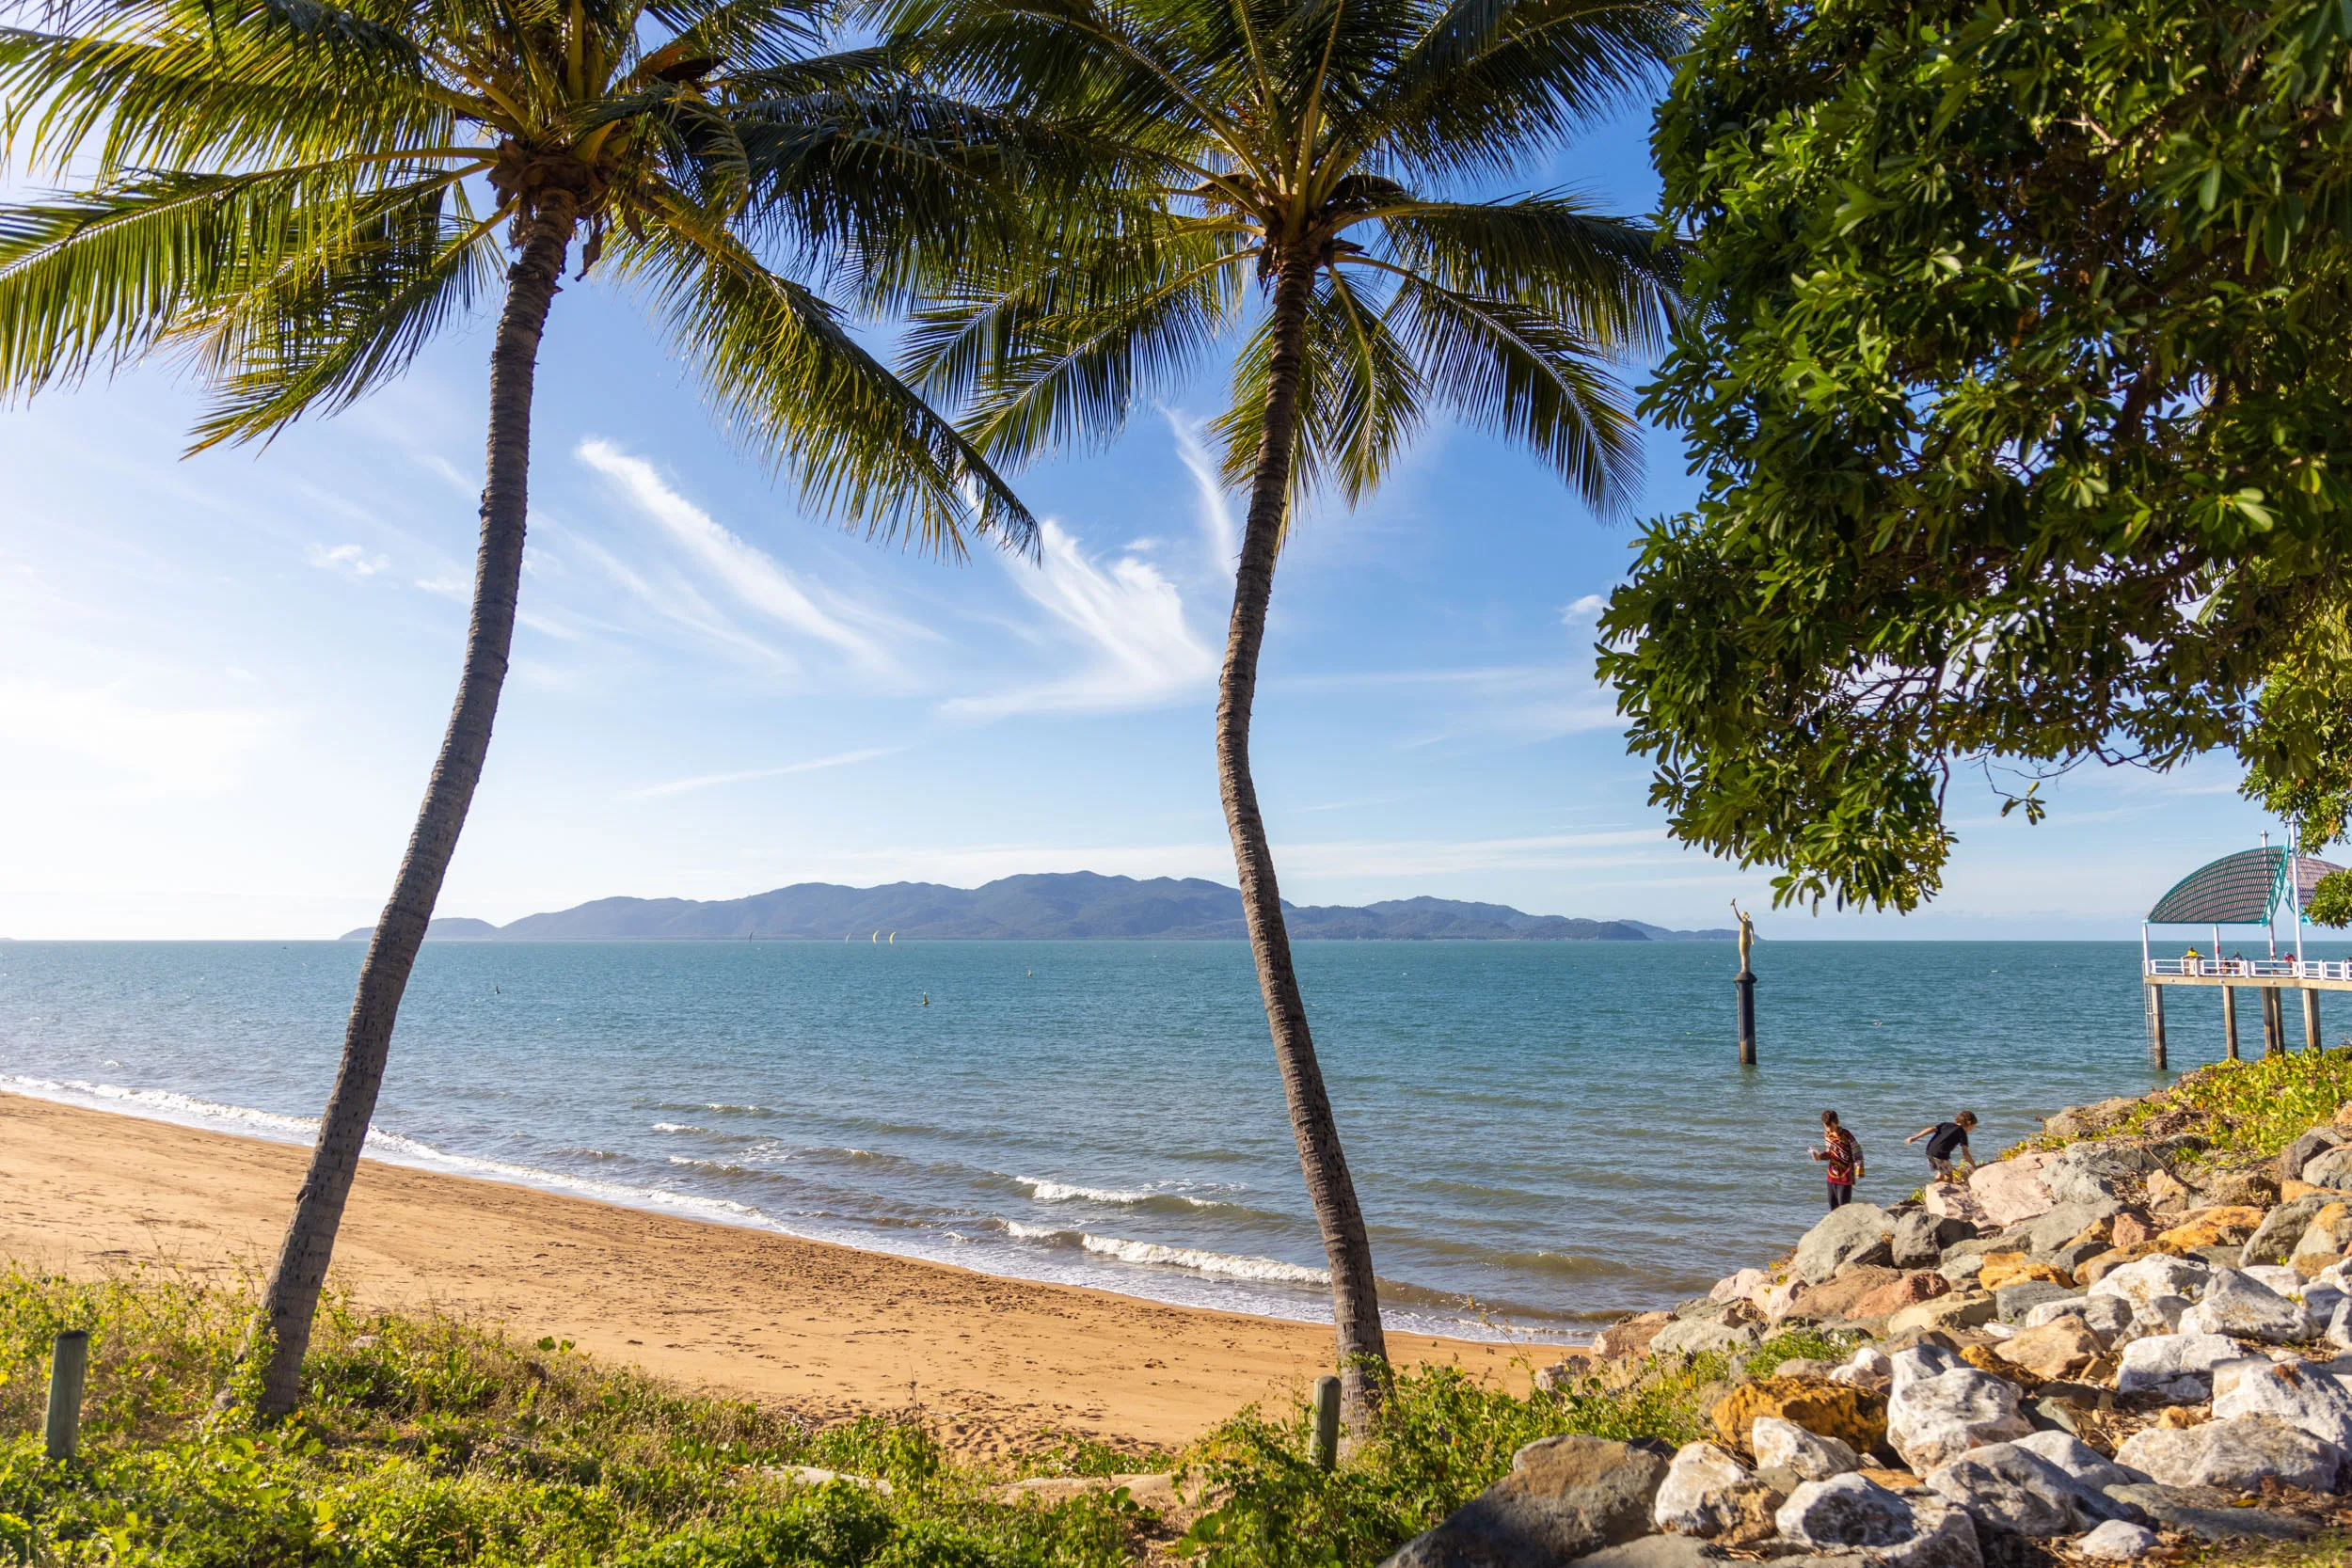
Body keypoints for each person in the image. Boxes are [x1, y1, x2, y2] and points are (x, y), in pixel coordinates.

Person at [1810, 1111, 1864, 1211]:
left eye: (1830, 1125)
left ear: (1837, 1122)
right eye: (1825, 1126)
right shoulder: (1827, 1135)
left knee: (1843, 1208)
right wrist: (1818, 1156)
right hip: (1832, 1175)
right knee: (1833, 1207)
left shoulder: (1846, 1135)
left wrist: (1859, 1167)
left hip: (1846, 1175)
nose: (1828, 1128)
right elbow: (1829, 1153)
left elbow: (1857, 1150)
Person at [1906, 1112, 1979, 1180]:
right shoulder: (1962, 1133)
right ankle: (1948, 1191)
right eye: (1972, 1127)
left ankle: (1934, 1188)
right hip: (1941, 1154)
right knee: (1949, 1176)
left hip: (1930, 1151)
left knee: (1941, 1173)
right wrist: (1974, 1166)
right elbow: (1965, 1152)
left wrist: (1915, 1137)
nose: (1972, 1129)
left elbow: (1931, 1129)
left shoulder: (1946, 1124)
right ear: (1969, 1123)